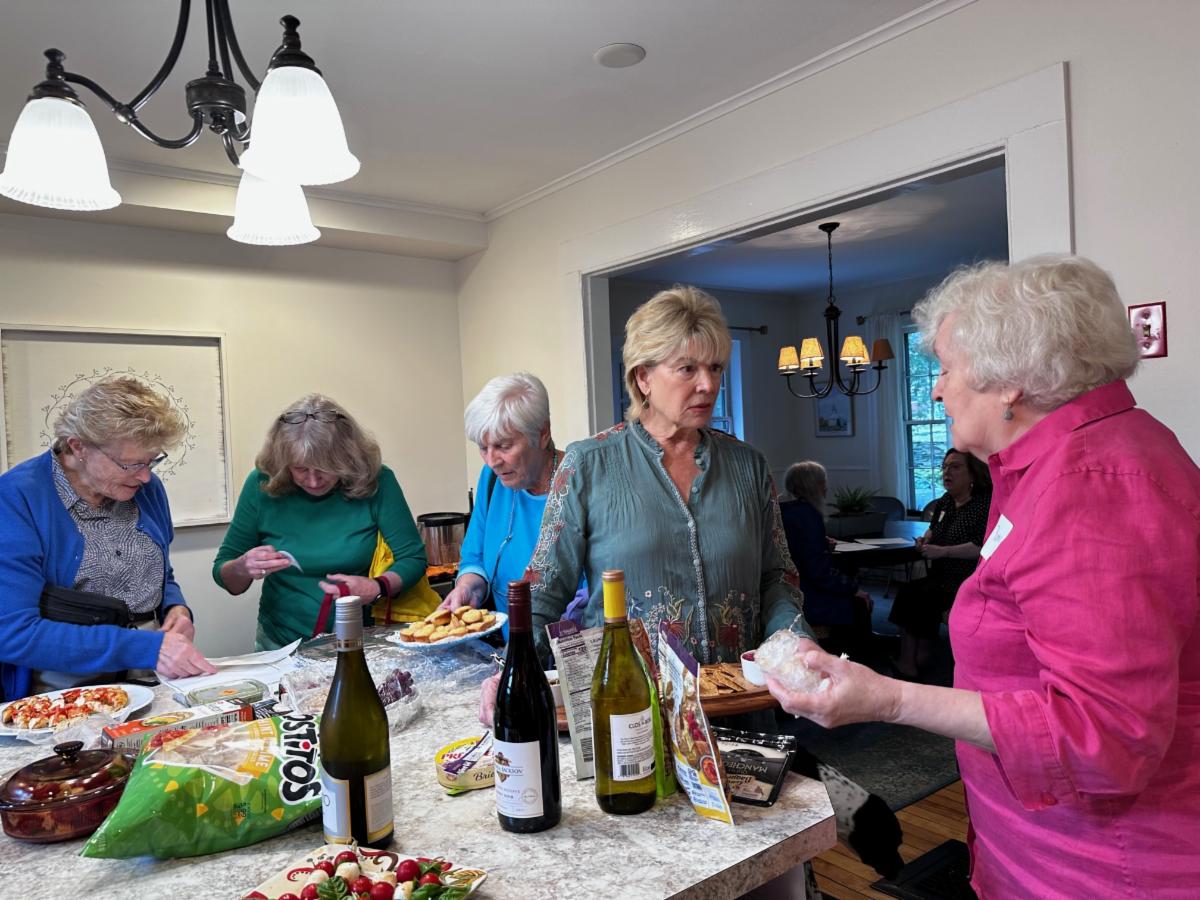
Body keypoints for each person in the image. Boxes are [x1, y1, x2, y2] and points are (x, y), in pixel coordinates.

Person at [765, 255, 1200, 897]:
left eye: (944, 368)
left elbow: (1103, 739)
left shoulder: (1091, 486)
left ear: (1009, 380)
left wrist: (888, 698)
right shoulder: (1050, 465)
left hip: (1102, 867)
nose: (935, 391)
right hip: (1042, 844)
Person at [526, 284, 809, 665]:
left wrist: (794, 641)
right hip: (630, 696)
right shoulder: (587, 464)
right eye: (687, 368)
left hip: (741, 691)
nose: (708, 384)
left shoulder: (749, 466)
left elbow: (778, 578)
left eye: (715, 367)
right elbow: (542, 594)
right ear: (643, 377)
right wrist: (515, 669)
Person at [0, 377, 215, 700]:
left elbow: (160, 573)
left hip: (151, 676)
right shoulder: (17, 498)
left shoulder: (146, 489)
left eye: (152, 461)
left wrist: (177, 608)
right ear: (78, 447)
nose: (145, 476)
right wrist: (144, 647)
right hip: (65, 692)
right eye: (130, 464)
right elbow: (13, 633)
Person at [213, 394, 426, 650]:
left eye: (326, 468)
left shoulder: (376, 480)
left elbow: (413, 558)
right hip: (280, 642)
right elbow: (227, 578)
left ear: (348, 459)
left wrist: (377, 586)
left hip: (359, 638)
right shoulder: (262, 484)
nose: (313, 481)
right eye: (300, 469)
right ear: (284, 462)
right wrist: (242, 567)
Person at [438, 373, 565, 638]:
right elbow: (474, 558)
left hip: (569, 650)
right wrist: (468, 588)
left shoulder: (577, 484)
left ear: (543, 433)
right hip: (513, 650)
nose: (491, 461)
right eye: (483, 447)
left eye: (504, 446)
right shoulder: (492, 480)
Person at [887, 448, 990, 679]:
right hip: (941, 577)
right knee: (915, 592)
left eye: (955, 467)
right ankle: (920, 654)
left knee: (914, 594)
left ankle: (910, 660)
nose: (946, 472)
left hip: (967, 580)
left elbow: (982, 548)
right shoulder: (946, 501)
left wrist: (944, 552)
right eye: (944, 467)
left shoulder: (984, 504)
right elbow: (934, 528)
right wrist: (925, 540)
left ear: (973, 473)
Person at [778, 461, 873, 652]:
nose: (826, 488)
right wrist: (852, 589)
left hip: (786, 589)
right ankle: (856, 659)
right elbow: (819, 571)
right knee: (859, 603)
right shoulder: (808, 514)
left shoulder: (783, 509)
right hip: (805, 595)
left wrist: (820, 542)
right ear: (813, 486)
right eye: (823, 482)